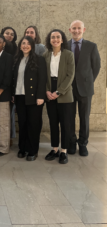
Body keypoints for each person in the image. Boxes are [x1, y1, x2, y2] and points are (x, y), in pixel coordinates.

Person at [67, 20, 101, 156]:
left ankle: (82, 144)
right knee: (69, 117)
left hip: (85, 88)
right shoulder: (65, 45)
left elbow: (96, 66)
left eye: (79, 28)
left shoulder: (91, 46)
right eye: (74, 28)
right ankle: (71, 143)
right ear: (70, 30)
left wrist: (89, 81)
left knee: (84, 118)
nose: (76, 31)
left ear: (84, 30)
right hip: (68, 88)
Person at [43, 29, 75, 164]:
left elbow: (70, 76)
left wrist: (58, 92)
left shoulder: (68, 55)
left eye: (58, 37)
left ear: (62, 40)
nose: (55, 39)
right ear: (49, 40)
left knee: (65, 124)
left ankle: (64, 151)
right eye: (52, 37)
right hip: (50, 92)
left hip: (64, 93)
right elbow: (43, 76)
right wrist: (47, 91)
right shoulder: (46, 55)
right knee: (53, 123)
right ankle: (55, 149)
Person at [13, 36, 47, 161]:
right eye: (23, 43)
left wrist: (40, 96)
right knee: (23, 124)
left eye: (28, 43)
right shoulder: (17, 59)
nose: (25, 45)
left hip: (34, 98)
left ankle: (33, 151)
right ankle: (23, 148)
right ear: (20, 45)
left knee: (33, 124)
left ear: (32, 45)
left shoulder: (39, 60)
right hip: (20, 96)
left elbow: (42, 79)